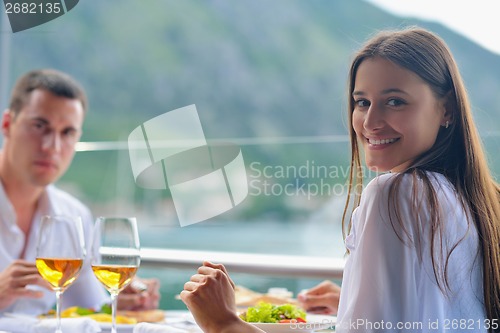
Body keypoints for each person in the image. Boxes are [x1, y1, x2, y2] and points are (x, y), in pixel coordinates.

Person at [180, 27, 500, 333]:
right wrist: (353, 300)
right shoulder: (476, 200)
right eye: (362, 102)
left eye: (395, 101)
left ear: (447, 110)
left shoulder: (397, 193)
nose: (370, 122)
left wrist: (222, 323)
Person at [0, 69, 160, 315]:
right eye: (40, 125)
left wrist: (123, 304)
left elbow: (87, 309)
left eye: (67, 133)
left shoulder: (73, 215)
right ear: (7, 124)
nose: (52, 146)